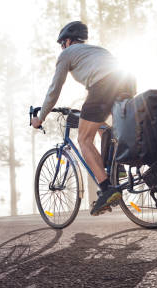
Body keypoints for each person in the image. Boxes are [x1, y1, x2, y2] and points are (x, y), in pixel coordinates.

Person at [31, 21, 135, 216]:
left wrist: (41, 117)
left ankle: (106, 189)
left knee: (84, 139)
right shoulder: (97, 50)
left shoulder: (67, 54)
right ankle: (116, 168)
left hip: (103, 86)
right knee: (105, 128)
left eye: (62, 43)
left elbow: (54, 90)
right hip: (126, 81)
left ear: (68, 41)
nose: (62, 48)